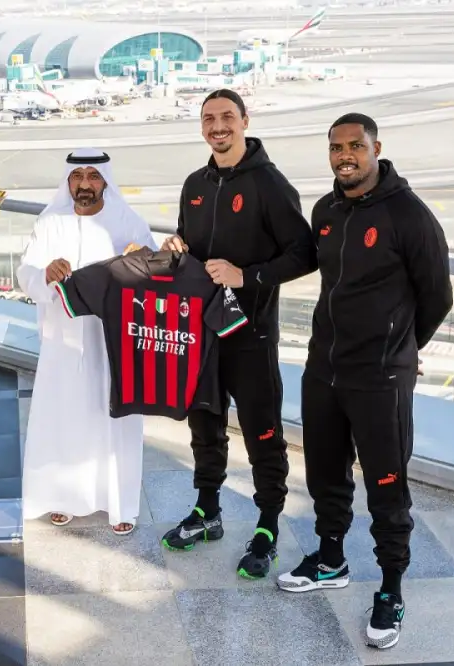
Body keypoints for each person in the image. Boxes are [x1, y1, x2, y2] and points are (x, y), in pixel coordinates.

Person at [277, 113, 453, 650]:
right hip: (324, 369)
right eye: (337, 147)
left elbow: (438, 296)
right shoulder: (326, 210)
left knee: (386, 486)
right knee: (326, 473)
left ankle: (391, 588)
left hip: (380, 376)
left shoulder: (409, 215)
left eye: (355, 145)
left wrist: (403, 348)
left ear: (377, 148)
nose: (345, 155)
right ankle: (331, 559)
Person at [158, 89, 317, 579]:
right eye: (209, 118)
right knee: (204, 425)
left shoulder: (269, 183)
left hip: (252, 336)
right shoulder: (194, 183)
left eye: (227, 116)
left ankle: (268, 525)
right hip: (202, 334)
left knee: (261, 432)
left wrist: (246, 276)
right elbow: (192, 245)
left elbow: (305, 253)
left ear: (246, 120)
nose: (218, 126)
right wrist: (177, 247)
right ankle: (208, 510)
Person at [17, 148, 158, 536]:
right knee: (64, 417)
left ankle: (120, 502)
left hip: (113, 341)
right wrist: (45, 273)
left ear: (105, 181)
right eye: (77, 176)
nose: (84, 184)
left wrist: (142, 258)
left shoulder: (127, 221)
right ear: (67, 182)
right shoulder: (50, 222)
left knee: (116, 421)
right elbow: (25, 272)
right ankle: (62, 497)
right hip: (62, 340)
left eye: (93, 176)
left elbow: (154, 266)